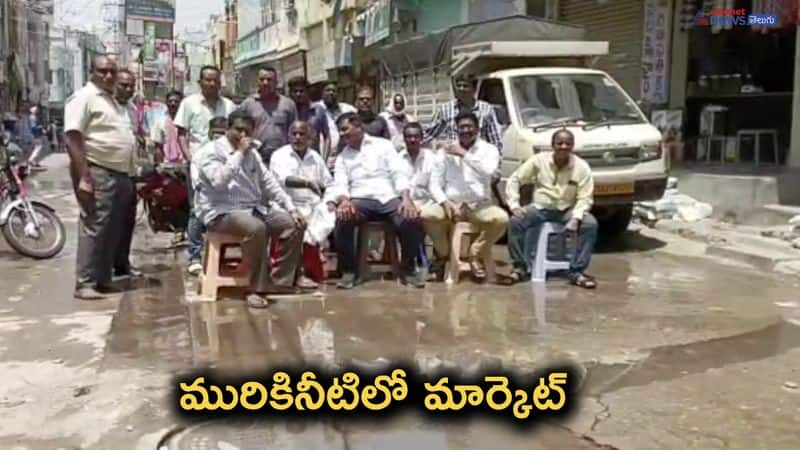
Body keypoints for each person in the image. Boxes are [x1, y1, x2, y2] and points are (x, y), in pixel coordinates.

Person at [192, 110, 317, 309]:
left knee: (293, 224)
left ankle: (279, 282)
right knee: (256, 228)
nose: (243, 135)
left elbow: (270, 183)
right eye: (238, 130)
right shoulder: (210, 152)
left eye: (247, 132)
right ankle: (255, 288)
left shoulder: (253, 153)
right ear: (227, 129)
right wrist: (239, 154)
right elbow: (218, 182)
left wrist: (291, 208)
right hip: (221, 212)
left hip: (252, 208)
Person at [64, 55, 138, 300]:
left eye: (112, 72)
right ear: (91, 72)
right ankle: (84, 282)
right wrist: (84, 176)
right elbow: (73, 138)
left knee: (112, 228)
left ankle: (103, 279)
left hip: (121, 173)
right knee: (94, 226)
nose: (108, 76)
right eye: (103, 71)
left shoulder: (113, 102)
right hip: (98, 170)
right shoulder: (84, 98)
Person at [325, 112, 425, 290]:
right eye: (340, 131)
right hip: (360, 200)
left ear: (358, 127)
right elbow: (340, 183)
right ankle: (349, 271)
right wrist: (344, 200)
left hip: (387, 197)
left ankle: (408, 269)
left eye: (345, 129)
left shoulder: (383, 146)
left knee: (411, 219)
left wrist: (406, 198)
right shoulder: (343, 157)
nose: (342, 134)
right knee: (342, 219)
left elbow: (398, 173)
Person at [505, 128, 598, 289]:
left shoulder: (582, 167)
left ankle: (577, 271)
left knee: (590, 224)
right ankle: (520, 267)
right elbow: (515, 179)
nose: (563, 147)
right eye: (559, 143)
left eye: (568, 144)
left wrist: (576, 219)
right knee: (515, 221)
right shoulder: (539, 160)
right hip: (541, 208)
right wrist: (514, 205)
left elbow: (585, 197)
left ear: (572, 146)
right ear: (552, 145)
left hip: (567, 210)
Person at [425, 112, 508, 282]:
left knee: (501, 219)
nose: (466, 130)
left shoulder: (489, 150)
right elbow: (434, 183)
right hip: (451, 204)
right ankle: (445, 253)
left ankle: (475, 252)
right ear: (457, 129)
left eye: (470, 126)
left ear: (477, 129)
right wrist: (445, 202)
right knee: (427, 215)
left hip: (478, 205)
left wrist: (463, 154)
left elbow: (489, 172)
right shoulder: (445, 151)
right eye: (462, 127)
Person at [174, 65, 236, 275]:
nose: (211, 84)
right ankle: (194, 256)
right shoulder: (189, 103)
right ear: (200, 82)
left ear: (220, 83)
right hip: (198, 165)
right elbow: (181, 133)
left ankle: (221, 255)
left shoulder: (228, 106)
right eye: (207, 80)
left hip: (223, 166)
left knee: (223, 208)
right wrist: (189, 157)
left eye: (215, 80)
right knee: (197, 210)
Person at [270, 121, 335, 284]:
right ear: (289, 135)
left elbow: (328, 182)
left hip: (312, 204)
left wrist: (331, 200)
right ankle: (297, 273)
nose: (297, 138)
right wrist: (308, 183)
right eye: (294, 134)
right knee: (297, 223)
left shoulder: (315, 157)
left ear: (310, 137)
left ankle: (314, 269)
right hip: (287, 204)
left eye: (302, 134)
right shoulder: (279, 155)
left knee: (330, 214)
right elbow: (284, 179)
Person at [111, 68, 143, 279]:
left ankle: (122, 264)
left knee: (127, 222)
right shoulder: (105, 106)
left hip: (130, 174)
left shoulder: (132, 109)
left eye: (131, 85)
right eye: (123, 85)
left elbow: (137, 138)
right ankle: (102, 269)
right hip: (109, 173)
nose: (128, 89)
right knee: (108, 223)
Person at [423, 73, 503, 153]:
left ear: (474, 89)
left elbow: (494, 140)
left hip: (478, 159)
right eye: (459, 86)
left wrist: (496, 160)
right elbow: (429, 133)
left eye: (465, 86)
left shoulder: (486, 109)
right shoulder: (445, 109)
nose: (461, 89)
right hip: (454, 159)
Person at [237, 66, 298, 165]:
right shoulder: (248, 104)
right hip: (255, 157)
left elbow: (294, 131)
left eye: (269, 80)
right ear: (257, 81)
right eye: (262, 79)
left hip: (283, 158)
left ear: (276, 82)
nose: (265, 83)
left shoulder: (288, 104)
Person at [398, 122, 437, 275]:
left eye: (416, 136)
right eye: (408, 137)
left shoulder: (431, 158)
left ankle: (430, 261)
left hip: (428, 203)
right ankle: (410, 263)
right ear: (404, 139)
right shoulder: (397, 158)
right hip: (405, 203)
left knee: (428, 216)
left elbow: (436, 186)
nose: (412, 140)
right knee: (407, 218)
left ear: (421, 138)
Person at [287, 76, 330, 158]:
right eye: (295, 91)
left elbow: (327, 137)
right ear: (290, 93)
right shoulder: (288, 111)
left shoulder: (318, 110)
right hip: (292, 159)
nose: (298, 94)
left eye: (301, 91)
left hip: (313, 158)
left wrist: (323, 160)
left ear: (308, 92)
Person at [316, 81, 356, 160]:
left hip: (346, 156)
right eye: (328, 90)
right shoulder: (316, 110)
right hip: (323, 157)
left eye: (334, 91)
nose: (331, 93)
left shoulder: (348, 109)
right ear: (322, 93)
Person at [151, 90, 185, 164]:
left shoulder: (186, 122)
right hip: (167, 164)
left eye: (176, 101)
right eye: (170, 101)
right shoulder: (160, 122)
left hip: (185, 163)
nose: (173, 104)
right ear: (166, 103)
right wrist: (159, 165)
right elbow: (158, 147)